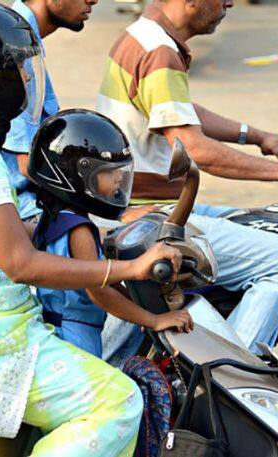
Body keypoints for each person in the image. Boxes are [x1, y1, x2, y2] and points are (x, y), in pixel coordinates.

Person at [0, 2, 181, 455]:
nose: (28, 80)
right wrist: (133, 269)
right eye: (19, 69)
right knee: (120, 403)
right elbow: (21, 265)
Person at [96, 0, 278, 354]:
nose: (230, 3)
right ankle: (233, 380)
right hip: (149, 217)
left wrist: (257, 136)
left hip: (148, 207)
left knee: (259, 220)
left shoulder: (143, 36)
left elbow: (177, 112)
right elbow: (195, 148)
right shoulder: (159, 52)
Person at [28, 108, 194, 358]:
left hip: (59, 328)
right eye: (108, 171)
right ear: (77, 174)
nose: (119, 179)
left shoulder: (56, 218)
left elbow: (106, 275)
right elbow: (100, 292)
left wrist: (136, 303)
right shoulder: (79, 230)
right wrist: (154, 320)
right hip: (75, 338)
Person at [1, 0, 99, 221]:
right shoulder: (17, 42)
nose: (94, 1)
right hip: (25, 209)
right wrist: (109, 208)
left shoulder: (20, 31)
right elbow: (27, 166)